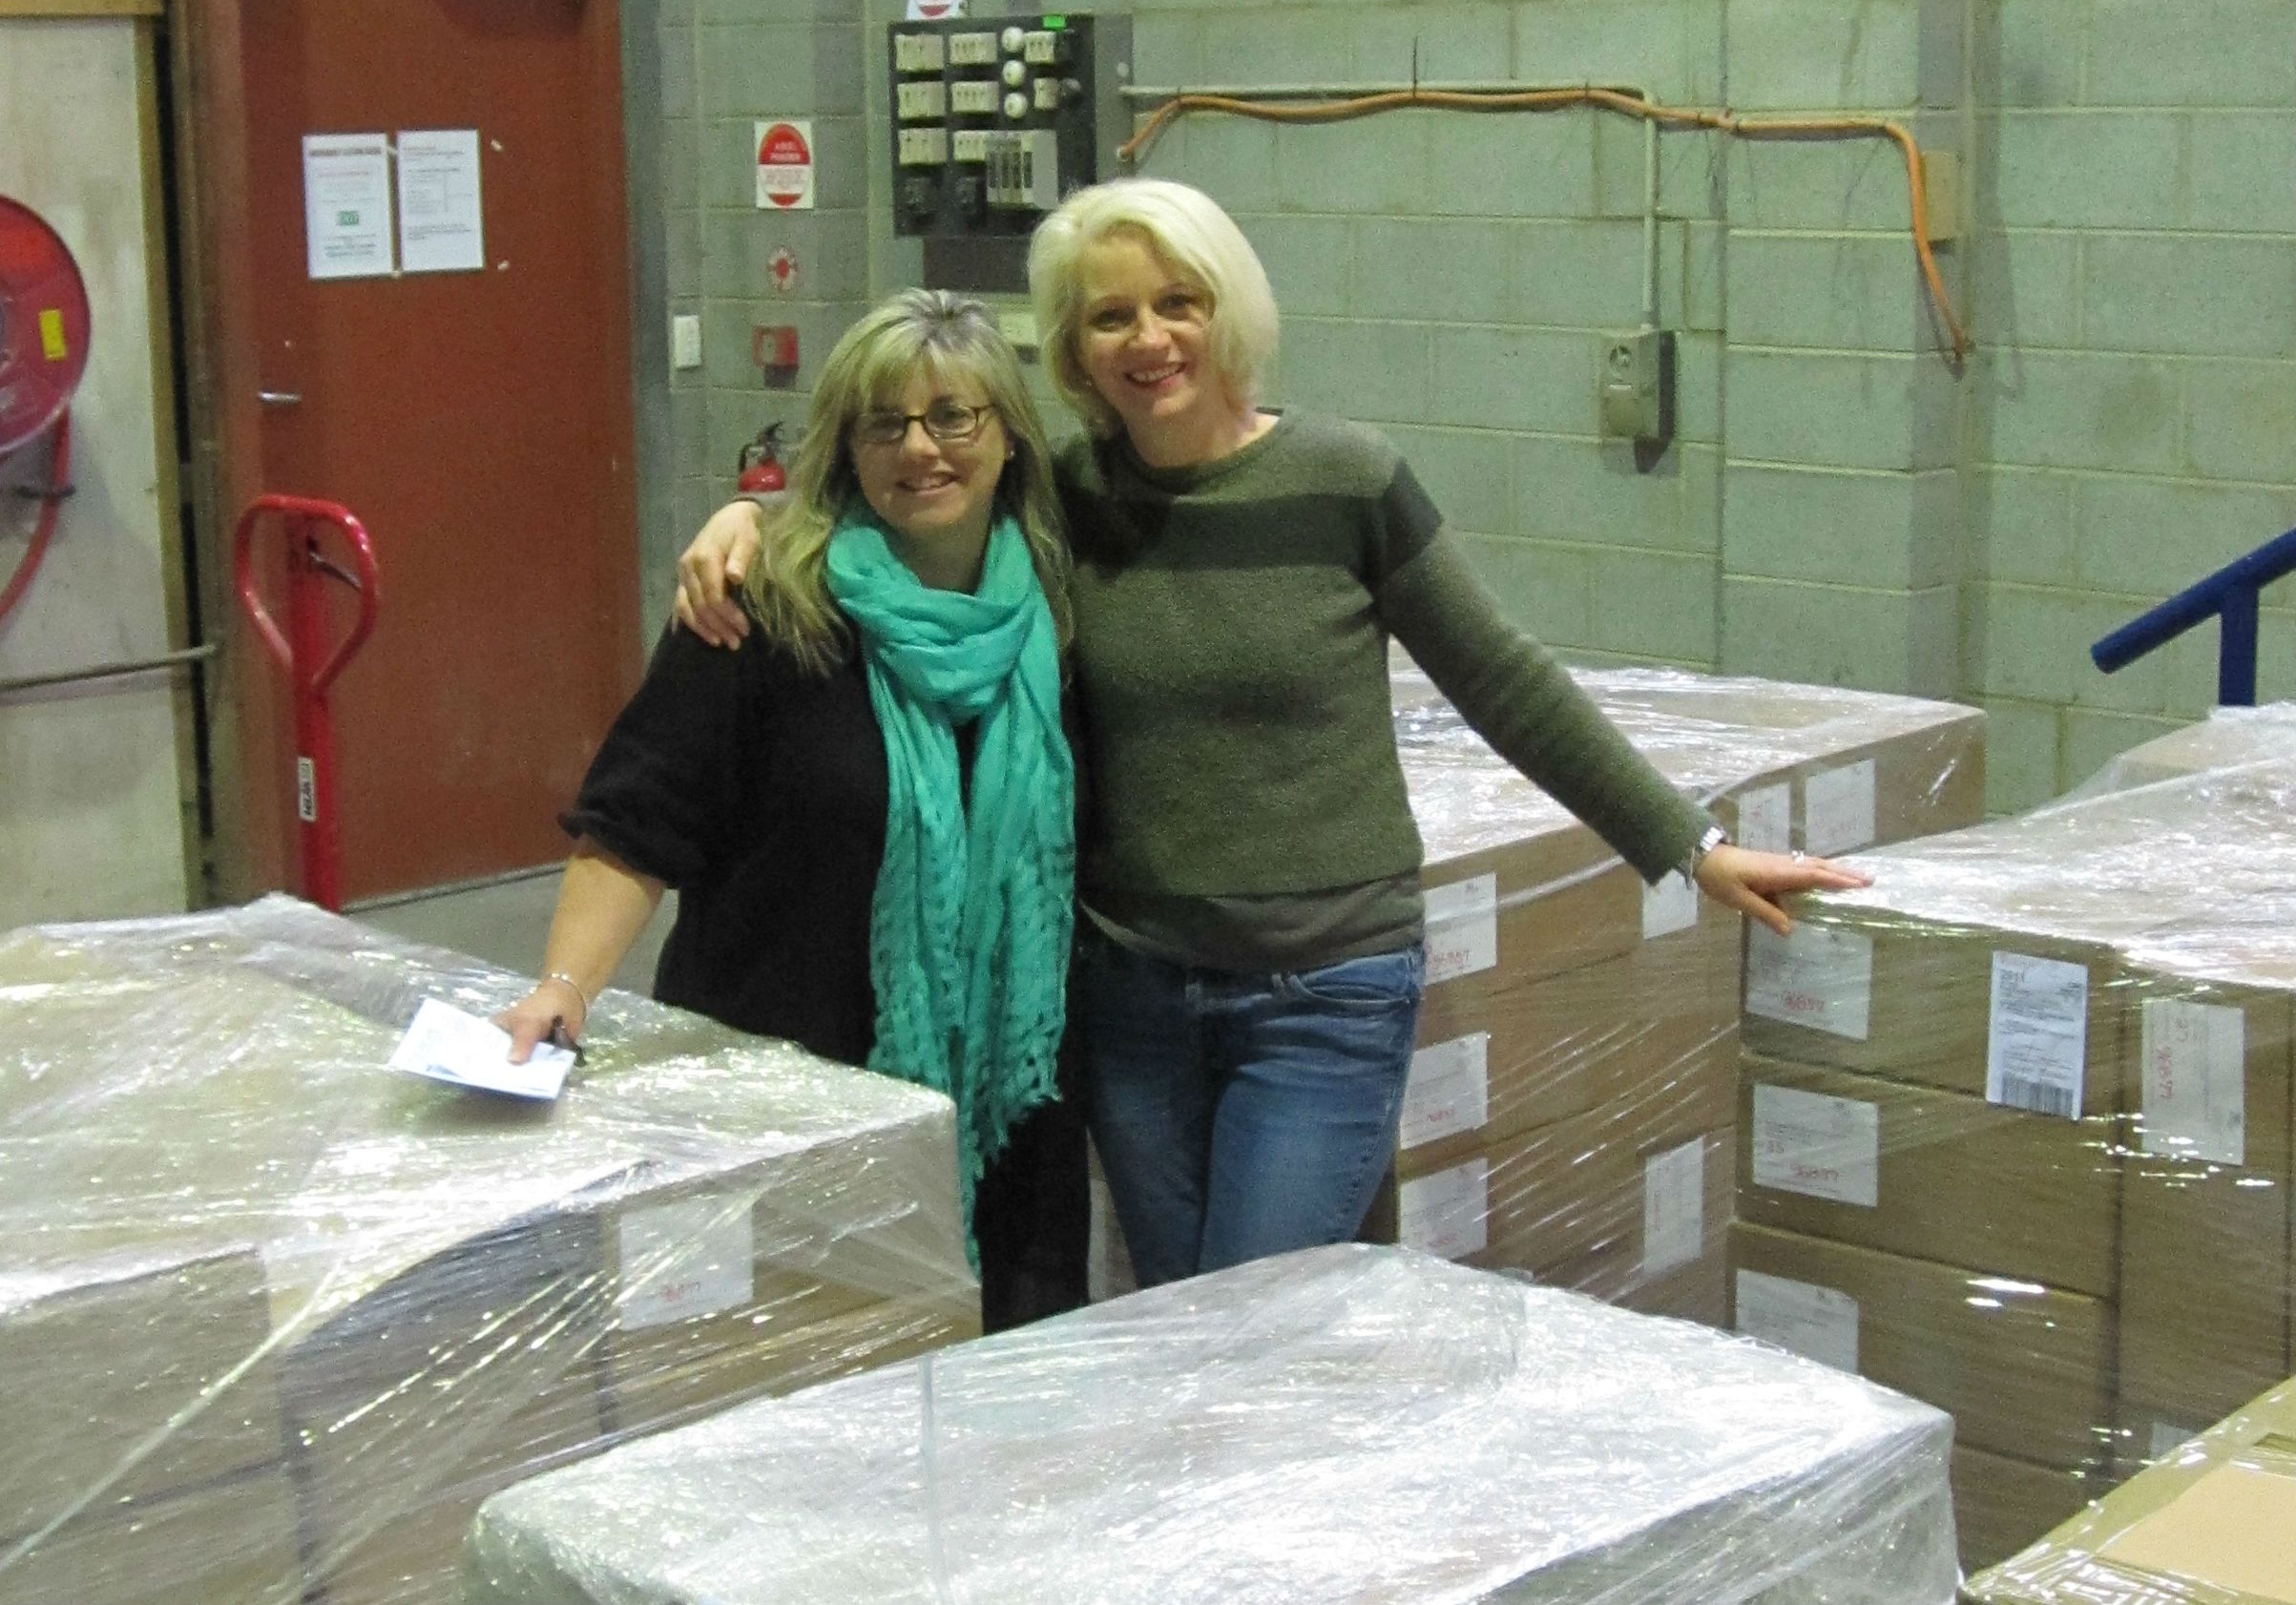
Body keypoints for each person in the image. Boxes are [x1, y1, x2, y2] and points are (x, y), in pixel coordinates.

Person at [674, 181, 1867, 1290]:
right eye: (1111, 317)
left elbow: (1504, 676)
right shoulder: (1069, 501)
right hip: (1133, 991)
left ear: (1228, 310)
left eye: (1177, 303)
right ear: (1075, 347)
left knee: (1254, 1317)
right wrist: (752, 516)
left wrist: (1691, 845)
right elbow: (904, 484)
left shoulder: (1346, 479)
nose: (1150, 340)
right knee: (1179, 1317)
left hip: (1324, 992)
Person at [501, 290, 1086, 1331]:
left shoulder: (1057, 608)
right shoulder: (765, 606)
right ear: (846, 447)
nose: (922, 448)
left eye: (954, 416)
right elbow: (639, 819)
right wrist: (564, 986)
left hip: (1008, 1101)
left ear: (1009, 438)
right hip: (792, 1093)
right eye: (884, 423)